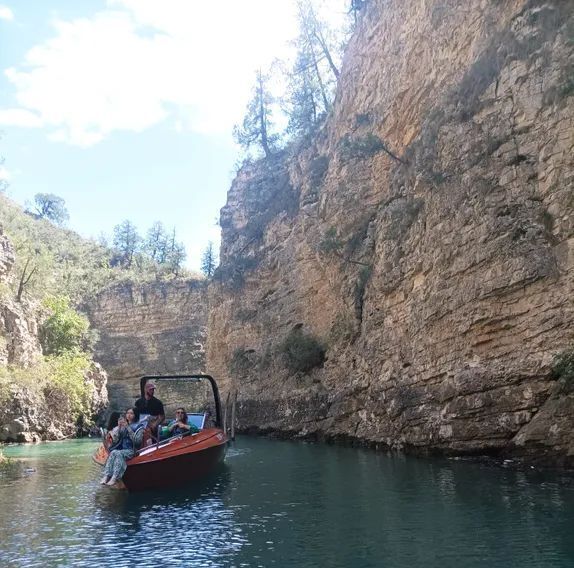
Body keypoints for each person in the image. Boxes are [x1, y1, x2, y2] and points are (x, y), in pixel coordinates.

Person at [100, 407, 144, 486]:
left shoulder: (139, 427)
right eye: (127, 413)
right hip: (122, 450)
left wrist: (128, 427)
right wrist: (119, 428)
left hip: (132, 450)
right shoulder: (123, 426)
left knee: (118, 453)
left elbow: (138, 441)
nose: (129, 415)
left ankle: (115, 477)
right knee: (114, 452)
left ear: (135, 415)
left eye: (131, 413)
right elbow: (117, 441)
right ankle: (106, 476)